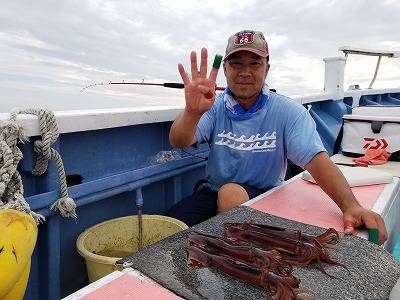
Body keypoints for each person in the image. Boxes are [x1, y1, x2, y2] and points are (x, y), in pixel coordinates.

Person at [167, 29, 387, 245]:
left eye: (254, 63)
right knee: (168, 228)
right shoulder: (214, 106)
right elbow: (179, 140)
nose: (245, 72)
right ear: (225, 68)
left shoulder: (288, 111)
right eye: (236, 63)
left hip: (267, 196)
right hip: (212, 191)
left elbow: (317, 161)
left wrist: (350, 205)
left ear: (267, 68)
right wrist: (192, 112)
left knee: (231, 194)